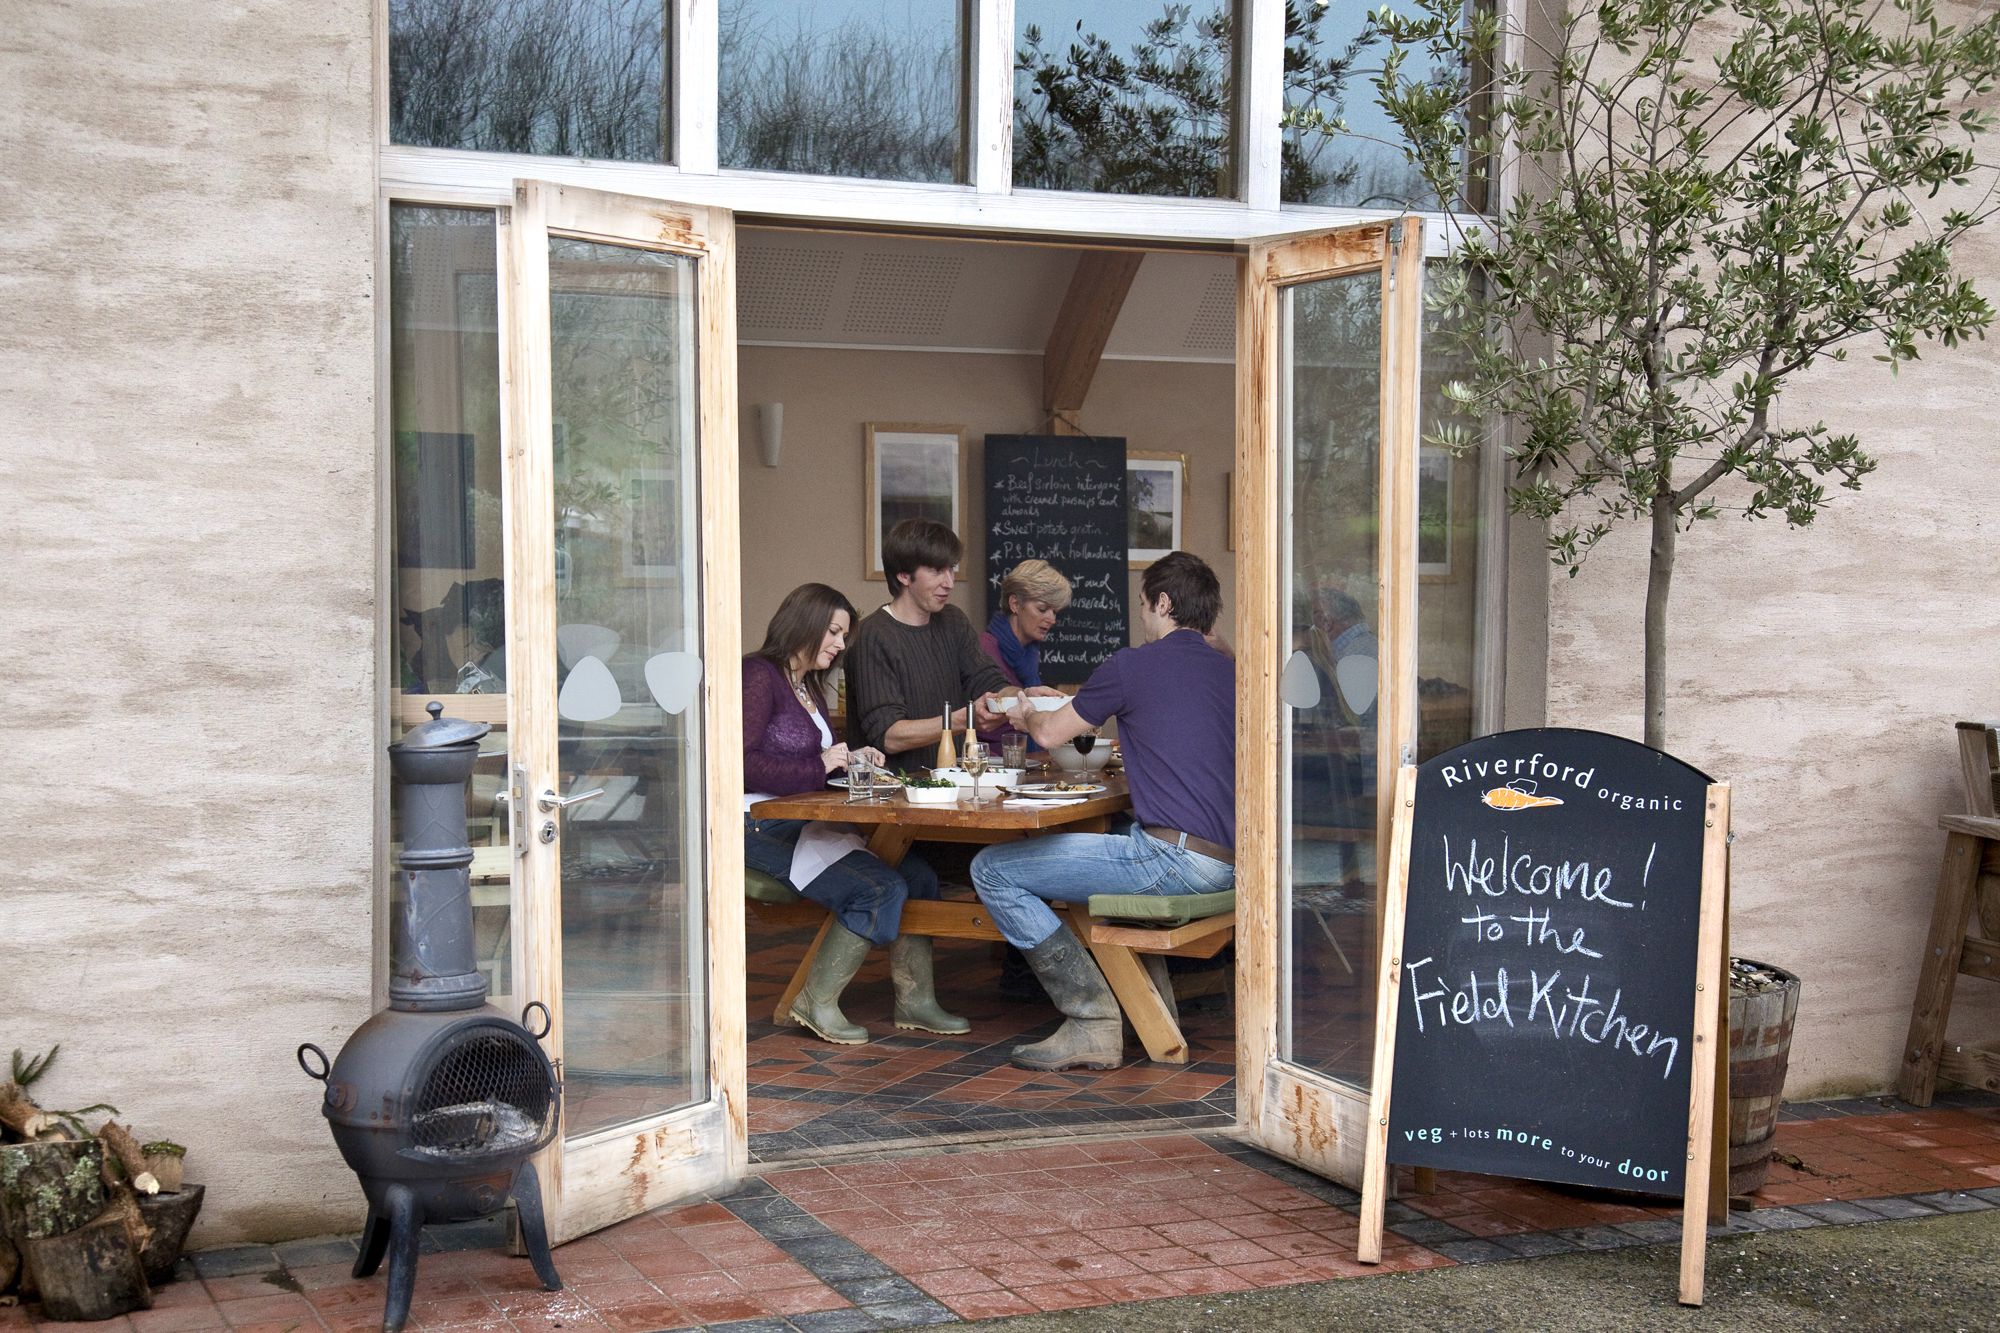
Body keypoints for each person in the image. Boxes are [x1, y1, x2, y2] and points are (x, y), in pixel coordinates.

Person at [970, 552, 1236, 1070]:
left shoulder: (1132, 665)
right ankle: (1142, 1014)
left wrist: (1021, 709)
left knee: (991, 870)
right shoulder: (1230, 670)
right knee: (1109, 850)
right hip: (1229, 863)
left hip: (1169, 861)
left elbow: (1049, 733)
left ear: (1163, 602)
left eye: (1143, 605)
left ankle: (1091, 1022)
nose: (1142, 617)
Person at [743, 583, 968, 1045]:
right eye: (833, 632)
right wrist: (819, 765)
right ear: (801, 624)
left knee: (919, 877)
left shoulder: (807, 685)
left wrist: (850, 759)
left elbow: (812, 767)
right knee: (879, 887)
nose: (841, 644)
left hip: (801, 818)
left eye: (844, 635)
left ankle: (916, 1001)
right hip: (754, 823)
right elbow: (737, 762)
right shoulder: (757, 675)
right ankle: (815, 1000)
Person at [844, 519, 1015, 768]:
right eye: (936, 571)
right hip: (893, 793)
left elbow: (988, 681)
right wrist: (964, 719)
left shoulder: (953, 620)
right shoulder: (872, 635)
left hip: (952, 784)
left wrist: (1023, 696)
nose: (949, 582)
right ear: (904, 575)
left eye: (951, 569)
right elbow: (889, 735)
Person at [980, 559, 1071, 688]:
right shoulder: (985, 651)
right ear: (1015, 604)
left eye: (1055, 611)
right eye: (1042, 609)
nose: (1052, 620)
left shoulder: (1030, 652)